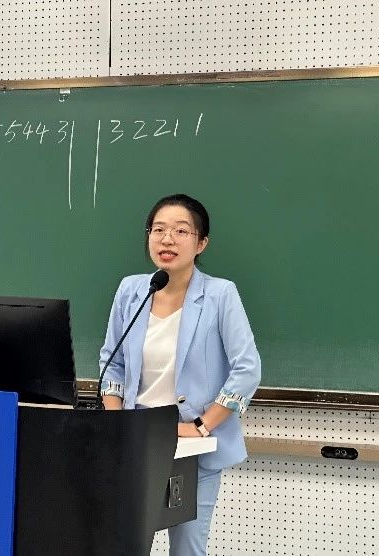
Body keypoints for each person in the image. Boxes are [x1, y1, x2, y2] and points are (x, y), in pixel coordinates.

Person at [99, 193, 261, 556]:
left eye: (180, 231)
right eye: (158, 230)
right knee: (126, 545)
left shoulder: (220, 295)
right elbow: (112, 360)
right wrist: (116, 420)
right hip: (136, 439)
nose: (167, 239)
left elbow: (247, 368)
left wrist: (202, 425)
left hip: (192, 445)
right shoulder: (132, 290)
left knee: (187, 548)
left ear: (201, 243)